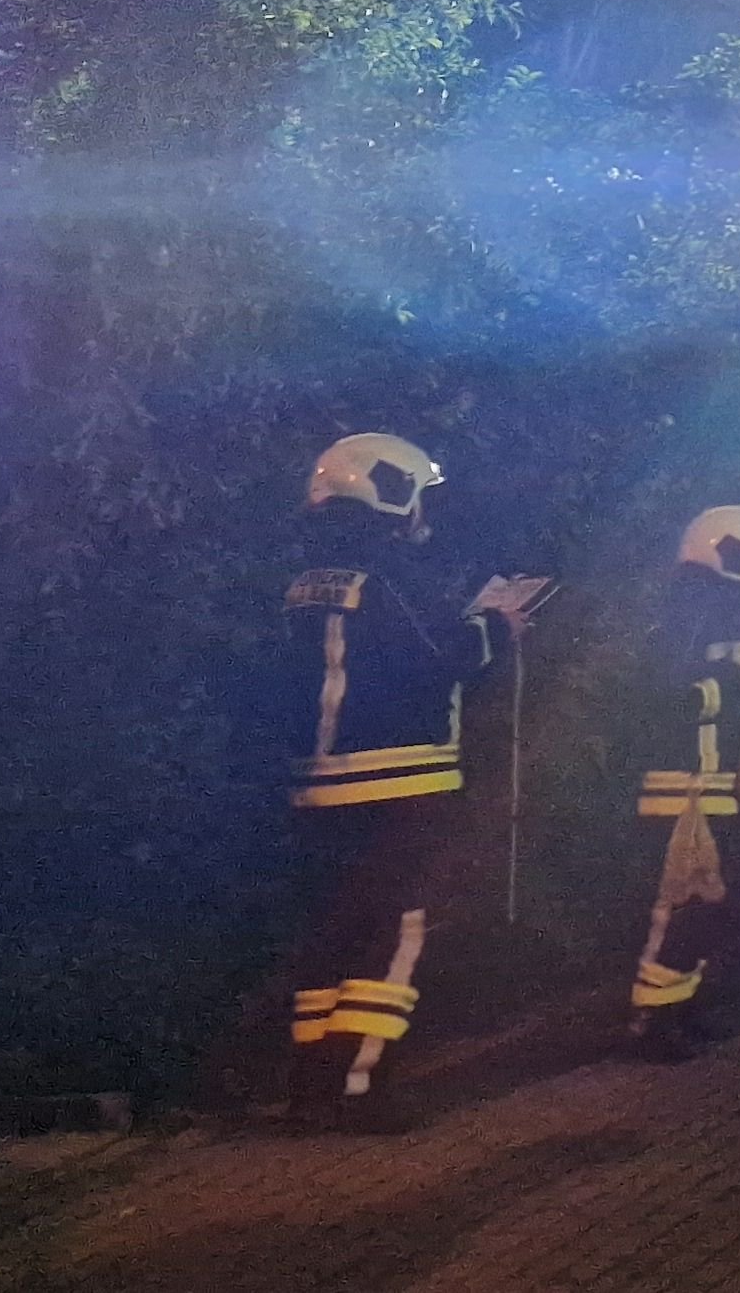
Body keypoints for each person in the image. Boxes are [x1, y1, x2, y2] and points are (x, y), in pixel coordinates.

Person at [274, 433, 531, 1126]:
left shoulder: (303, 578)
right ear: (391, 492)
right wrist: (497, 626)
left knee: (331, 929)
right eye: (421, 497)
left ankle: (311, 1083)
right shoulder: (391, 574)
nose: (425, 515)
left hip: (317, 780)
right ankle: (360, 1086)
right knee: (395, 930)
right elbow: (440, 655)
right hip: (398, 779)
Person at [629, 506, 740, 1058]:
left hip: (711, 775)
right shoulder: (684, 610)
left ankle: (681, 1002)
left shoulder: (717, 606)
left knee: (706, 902)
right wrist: (730, 687)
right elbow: (663, 693)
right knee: (679, 904)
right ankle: (653, 1017)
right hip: (683, 776)